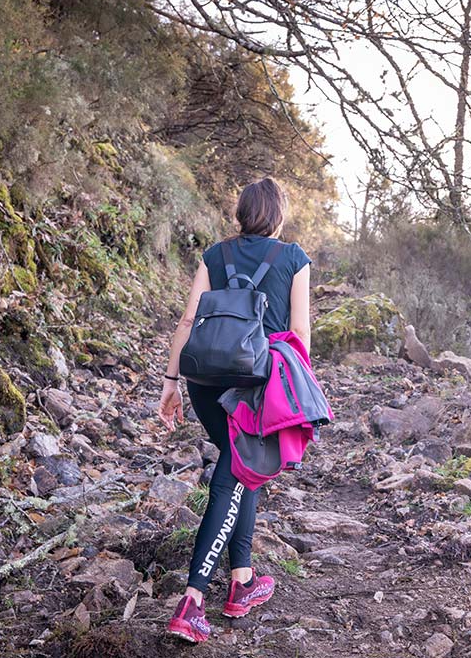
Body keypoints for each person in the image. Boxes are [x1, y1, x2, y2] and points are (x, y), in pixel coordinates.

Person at [156, 177, 312, 643]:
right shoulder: (293, 258)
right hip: (256, 382)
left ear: (240, 213)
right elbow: (300, 333)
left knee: (245, 465)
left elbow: (188, 319)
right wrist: (297, 395)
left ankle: (241, 580)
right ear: (278, 215)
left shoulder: (215, 255)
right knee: (234, 472)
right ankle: (192, 600)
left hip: (205, 379)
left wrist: (170, 382)